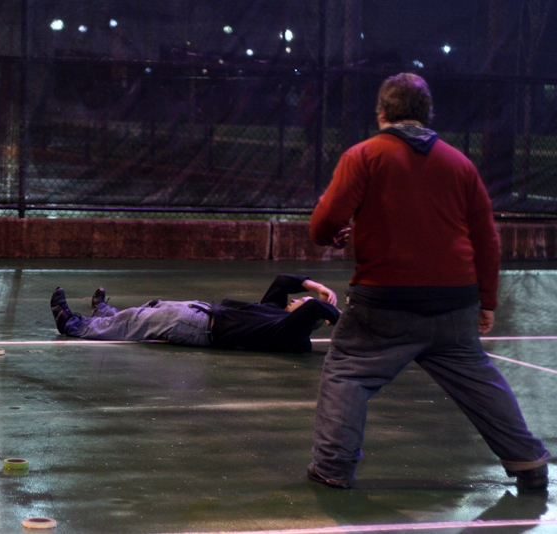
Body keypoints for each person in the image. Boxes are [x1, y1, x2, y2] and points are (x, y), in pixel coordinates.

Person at [307, 73, 550, 490]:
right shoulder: (460, 163)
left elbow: (324, 222)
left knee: (347, 372)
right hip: (454, 303)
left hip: (383, 301)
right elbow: (486, 239)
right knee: (477, 380)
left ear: (382, 112)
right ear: (426, 114)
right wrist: (486, 301)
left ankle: (332, 468)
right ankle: (528, 461)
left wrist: (331, 236)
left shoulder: (364, 156)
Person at [50, 274, 341, 353]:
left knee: (137, 322)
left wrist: (335, 312)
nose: (300, 298)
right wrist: (316, 286)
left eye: (301, 301)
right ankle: (104, 311)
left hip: (198, 327)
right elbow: (282, 280)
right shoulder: (274, 313)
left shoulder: (283, 333)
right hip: (197, 313)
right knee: (143, 312)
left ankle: (73, 325)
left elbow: (314, 308)